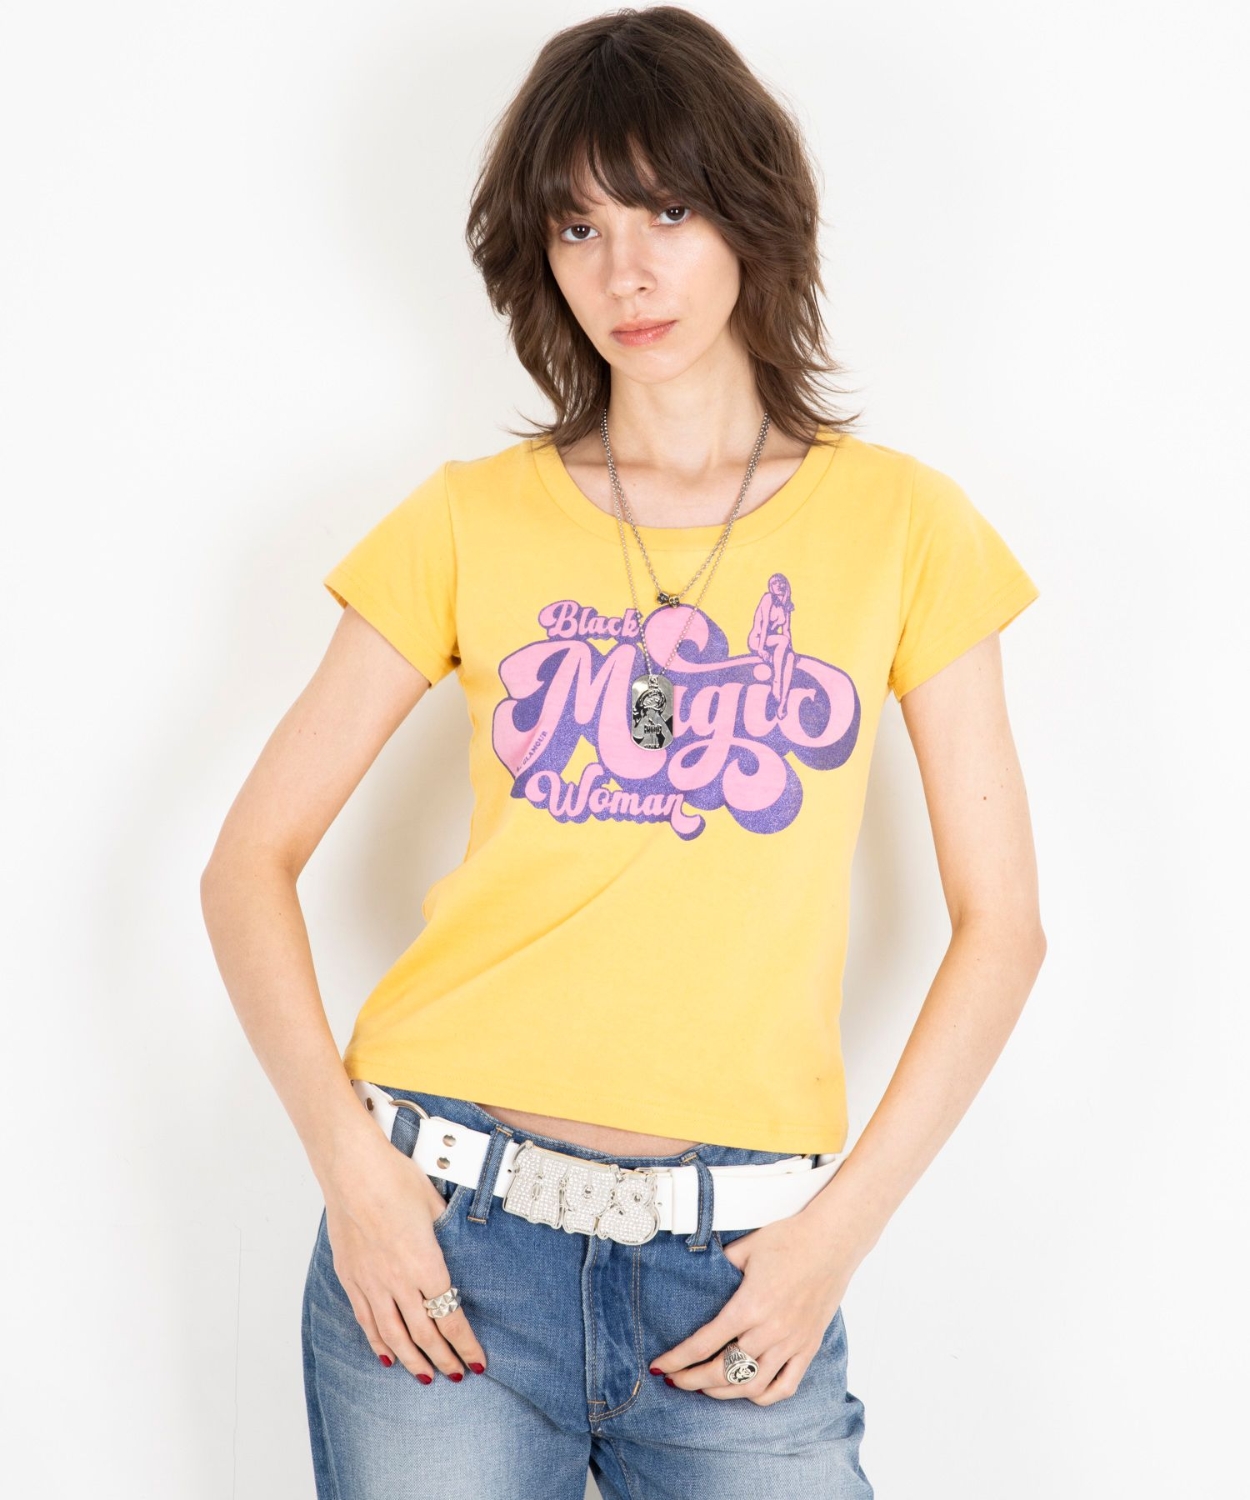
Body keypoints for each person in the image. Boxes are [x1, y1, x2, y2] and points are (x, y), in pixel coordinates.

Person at [200, 8, 1046, 1496]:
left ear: (753, 216)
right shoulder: (469, 518)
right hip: (445, 1249)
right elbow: (246, 864)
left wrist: (833, 1238)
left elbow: (1003, 927)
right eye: (577, 227)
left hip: (740, 1274)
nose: (625, 272)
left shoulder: (903, 526)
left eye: (666, 211)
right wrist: (354, 1174)